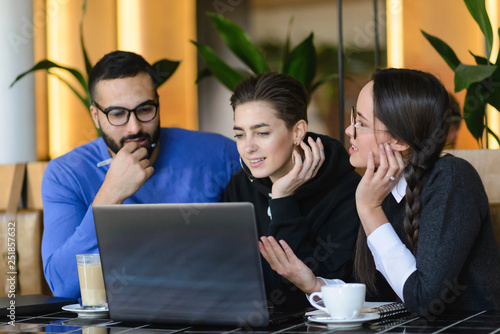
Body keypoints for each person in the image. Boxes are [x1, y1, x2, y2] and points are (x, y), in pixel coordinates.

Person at [260, 68, 500, 314]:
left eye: (361, 123)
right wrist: (313, 284)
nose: (348, 131)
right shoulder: (381, 188)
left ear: (399, 141)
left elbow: (425, 301)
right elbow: (377, 294)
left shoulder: (451, 177)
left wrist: (369, 209)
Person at [41, 50, 240, 298]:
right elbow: (63, 286)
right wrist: (110, 195)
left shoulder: (221, 153)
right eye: (117, 114)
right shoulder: (66, 174)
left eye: (145, 110)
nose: (134, 127)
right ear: (96, 116)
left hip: (210, 309)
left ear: (158, 103)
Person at [223, 72, 361, 308]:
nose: (248, 147)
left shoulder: (346, 191)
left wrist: (282, 198)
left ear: (297, 132)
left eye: (262, 133)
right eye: (240, 134)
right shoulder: (239, 185)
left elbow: (309, 289)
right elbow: (227, 273)